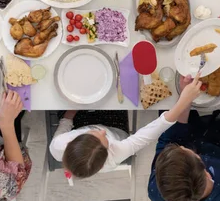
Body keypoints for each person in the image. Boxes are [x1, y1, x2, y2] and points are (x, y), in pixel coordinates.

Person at [50, 75, 203, 178]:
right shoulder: (117, 153)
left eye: (93, 133)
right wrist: (184, 100)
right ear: (108, 152)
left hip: (79, 121)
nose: (102, 132)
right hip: (113, 124)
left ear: (72, 141)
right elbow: (152, 131)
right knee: (118, 92)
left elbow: (65, 122)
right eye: (105, 140)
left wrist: (74, 107)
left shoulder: (57, 146)